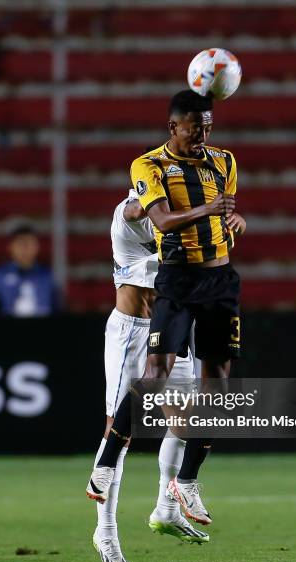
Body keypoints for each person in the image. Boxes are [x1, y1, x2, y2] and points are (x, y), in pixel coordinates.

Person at [87, 89, 245, 528]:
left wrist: (234, 221)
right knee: (153, 374)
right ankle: (106, 460)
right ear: (174, 127)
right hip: (176, 279)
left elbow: (223, 221)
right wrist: (210, 208)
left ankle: (187, 482)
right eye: (195, 128)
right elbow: (160, 220)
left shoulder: (225, 162)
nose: (203, 135)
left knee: (218, 389)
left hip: (219, 280)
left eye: (208, 127)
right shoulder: (149, 165)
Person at [90, 188, 215, 562]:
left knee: (190, 418)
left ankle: (166, 509)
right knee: (118, 428)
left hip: (168, 331)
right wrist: (155, 197)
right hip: (131, 333)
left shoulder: (183, 225)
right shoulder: (129, 216)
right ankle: (105, 532)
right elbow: (132, 211)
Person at [0, 224, 60, 316]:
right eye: (21, 243)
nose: (25, 249)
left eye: (29, 244)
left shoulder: (47, 276)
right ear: (11, 247)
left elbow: (58, 309)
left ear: (37, 247)